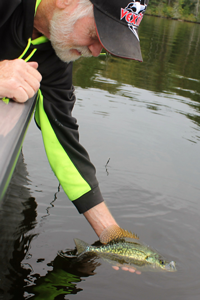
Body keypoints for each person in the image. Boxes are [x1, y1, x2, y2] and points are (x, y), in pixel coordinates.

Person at [0, 0, 148, 241]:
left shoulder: (56, 58)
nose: (97, 51)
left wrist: (110, 233)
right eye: (94, 34)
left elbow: (63, 138)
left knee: (20, 214)